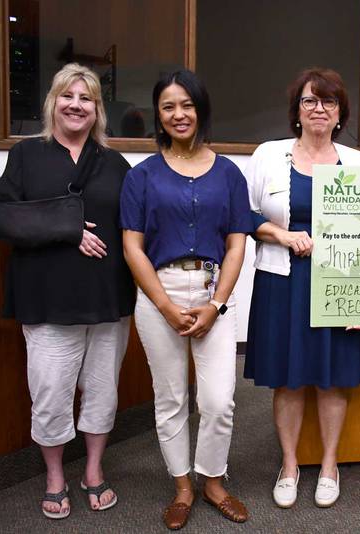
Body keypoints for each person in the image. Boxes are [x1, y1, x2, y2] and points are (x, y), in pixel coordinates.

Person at [0, 63, 135, 519]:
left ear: (97, 110)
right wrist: (69, 229)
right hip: (48, 299)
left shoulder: (114, 163)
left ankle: (93, 469)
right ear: (53, 103)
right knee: (51, 393)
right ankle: (55, 475)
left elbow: (137, 223)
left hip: (107, 299)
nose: (76, 105)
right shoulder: (27, 156)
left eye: (87, 98)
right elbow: (6, 219)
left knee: (102, 391)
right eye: (67, 96)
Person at [121, 70, 252, 529]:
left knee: (218, 400)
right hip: (160, 294)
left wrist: (216, 304)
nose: (179, 114)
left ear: (201, 109)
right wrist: (163, 305)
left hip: (214, 293)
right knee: (171, 398)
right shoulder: (142, 176)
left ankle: (213, 480)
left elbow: (237, 244)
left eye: (187, 105)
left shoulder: (230, 173)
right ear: (158, 115)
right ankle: (182, 486)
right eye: (168, 106)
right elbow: (132, 247)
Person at [243, 68, 360, 509]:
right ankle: (291, 465)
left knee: (333, 380)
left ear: (341, 113)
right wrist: (282, 236)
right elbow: (245, 217)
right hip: (284, 282)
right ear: (296, 111)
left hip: (341, 282)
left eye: (328, 102)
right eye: (310, 101)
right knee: (289, 381)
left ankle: (330, 465)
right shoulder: (268, 155)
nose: (319, 109)